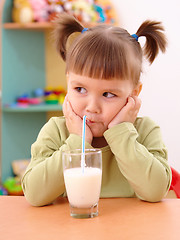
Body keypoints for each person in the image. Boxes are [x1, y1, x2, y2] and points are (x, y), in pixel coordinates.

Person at [22, 13, 172, 206]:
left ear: (134, 94)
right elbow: (34, 194)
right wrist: (78, 140)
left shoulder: (145, 131)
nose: (92, 107)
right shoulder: (57, 131)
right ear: (68, 80)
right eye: (80, 89)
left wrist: (120, 133)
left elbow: (155, 191)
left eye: (108, 94)